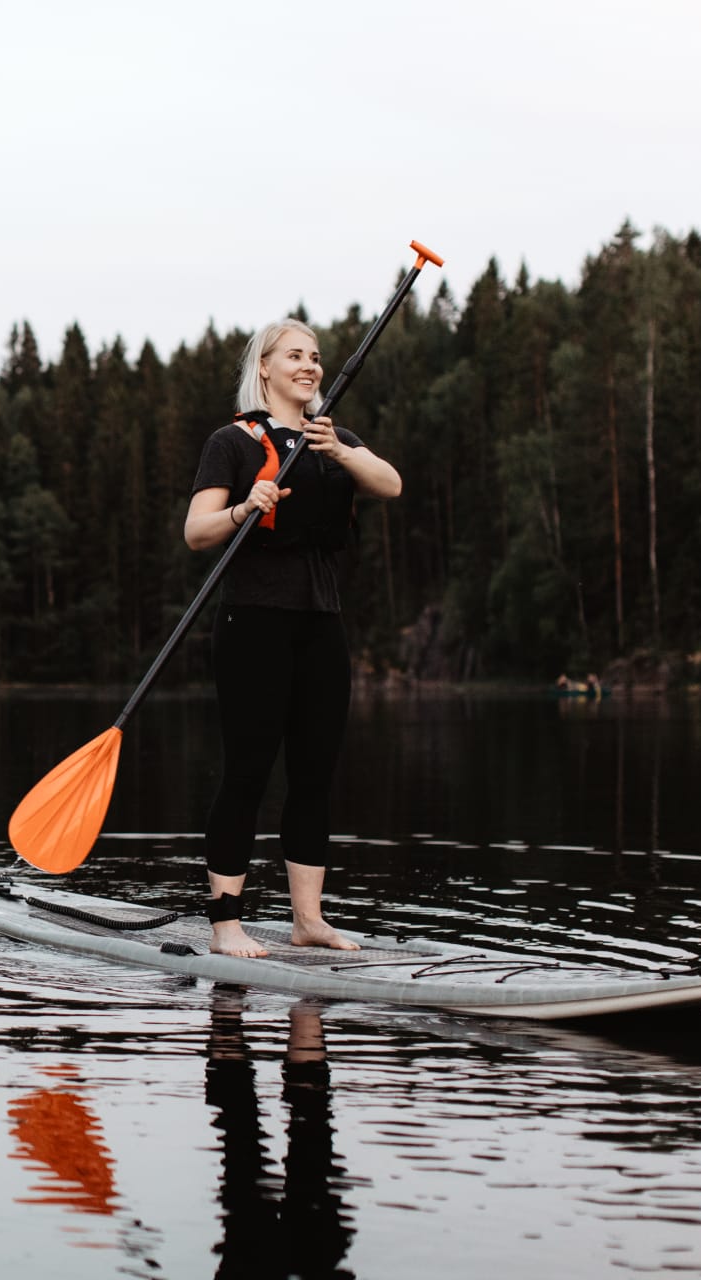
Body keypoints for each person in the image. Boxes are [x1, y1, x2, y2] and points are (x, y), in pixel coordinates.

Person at [183, 319, 402, 957]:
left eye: (317, 357)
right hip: (252, 622)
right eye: (296, 357)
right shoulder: (233, 440)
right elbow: (196, 531)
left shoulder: (331, 436)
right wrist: (243, 507)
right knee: (248, 772)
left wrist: (338, 449)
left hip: (321, 624)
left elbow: (389, 483)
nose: (310, 367)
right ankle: (227, 924)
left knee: (314, 775)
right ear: (267, 368)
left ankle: (309, 920)